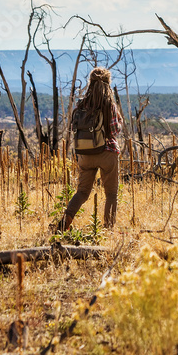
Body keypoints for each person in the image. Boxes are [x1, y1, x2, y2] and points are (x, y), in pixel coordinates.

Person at [56, 67, 122, 232]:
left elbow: (74, 127)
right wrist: (119, 120)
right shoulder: (109, 105)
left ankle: (64, 222)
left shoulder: (81, 105)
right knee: (111, 194)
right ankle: (108, 229)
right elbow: (114, 131)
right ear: (108, 83)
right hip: (107, 153)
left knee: (82, 192)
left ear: (90, 83)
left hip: (85, 154)